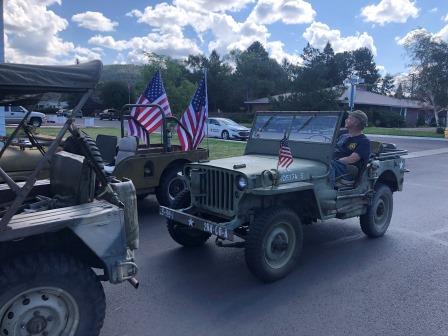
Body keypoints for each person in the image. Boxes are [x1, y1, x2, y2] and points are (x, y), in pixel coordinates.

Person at [330, 110, 370, 187]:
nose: (346, 120)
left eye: (349, 118)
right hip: (338, 165)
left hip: (348, 170)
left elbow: (352, 159)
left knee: (327, 166)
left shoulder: (364, 141)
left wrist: (333, 161)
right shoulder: (343, 136)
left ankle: (328, 190)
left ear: (356, 122)